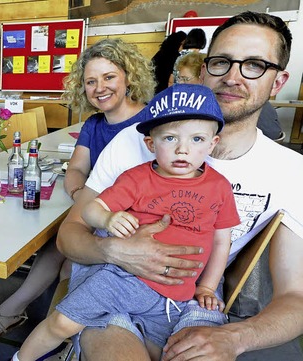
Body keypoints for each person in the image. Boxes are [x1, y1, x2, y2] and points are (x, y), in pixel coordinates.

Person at [56, 11, 303, 360]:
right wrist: (115, 252)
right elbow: (69, 235)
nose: (233, 77)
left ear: (278, 82)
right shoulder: (135, 140)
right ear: (203, 71)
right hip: (113, 280)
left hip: (193, 300)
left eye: (255, 65)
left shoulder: (290, 171)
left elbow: (296, 296)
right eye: (221, 62)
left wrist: (236, 338)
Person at [14, 84, 240, 361]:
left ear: (212, 143)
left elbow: (221, 239)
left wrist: (206, 287)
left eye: (197, 139)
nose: (183, 149)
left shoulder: (220, 187)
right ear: (150, 143)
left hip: (176, 296)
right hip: (123, 279)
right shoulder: (137, 178)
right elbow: (91, 210)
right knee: (63, 322)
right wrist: (108, 218)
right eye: (170, 138)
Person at [0, 37, 156, 342]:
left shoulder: (152, 122)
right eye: (91, 81)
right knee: (59, 240)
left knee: (63, 247)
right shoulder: (94, 124)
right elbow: (77, 168)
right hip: (96, 211)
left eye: (109, 77)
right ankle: (41, 317)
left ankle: (43, 320)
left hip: (132, 221)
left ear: (129, 77)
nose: (100, 88)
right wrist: (81, 197)